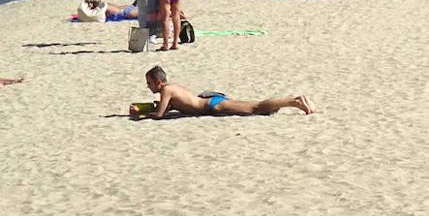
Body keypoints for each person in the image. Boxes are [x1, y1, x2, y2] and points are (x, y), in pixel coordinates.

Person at [131, 66, 315, 119]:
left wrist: (145, 115)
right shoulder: (172, 88)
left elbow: (160, 114)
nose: (148, 87)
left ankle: (294, 101)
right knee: (254, 107)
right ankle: (294, 101)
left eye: (149, 83)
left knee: (256, 108)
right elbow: (171, 108)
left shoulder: (167, 90)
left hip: (213, 104)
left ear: (159, 82)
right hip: (211, 101)